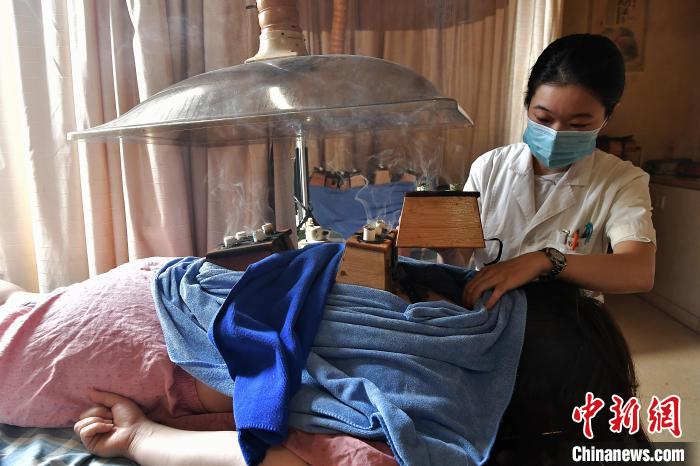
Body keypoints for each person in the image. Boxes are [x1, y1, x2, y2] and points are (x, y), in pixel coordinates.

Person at [0, 254, 648, 466]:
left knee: (22, 305)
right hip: (139, 351)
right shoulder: (427, 426)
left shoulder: (449, 321)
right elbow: (266, 457)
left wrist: (547, 261)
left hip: (176, 283)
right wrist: (141, 439)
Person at [445, 34, 656, 310]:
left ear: (608, 116)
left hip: (567, 322)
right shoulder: (489, 168)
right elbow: (459, 260)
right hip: (491, 315)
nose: (556, 134)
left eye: (578, 125)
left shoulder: (621, 180)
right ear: (527, 103)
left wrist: (545, 260)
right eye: (543, 118)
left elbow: (639, 271)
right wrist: (441, 245)